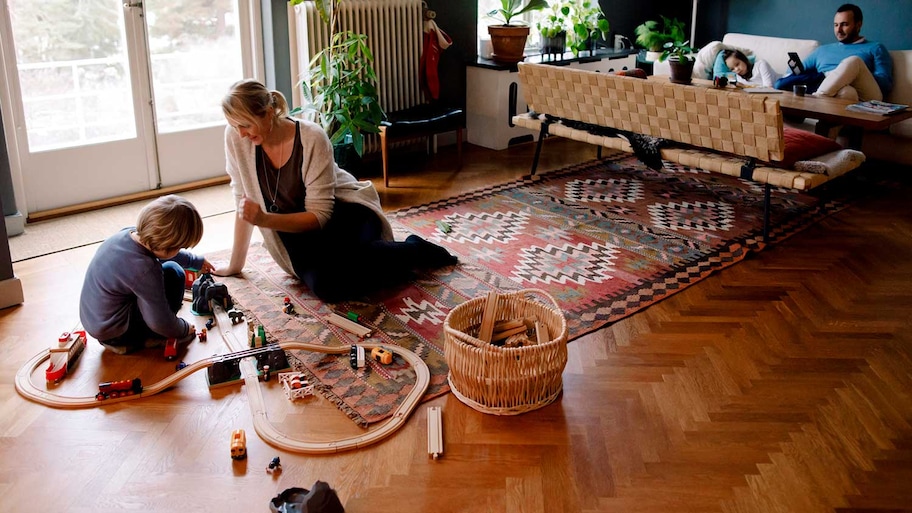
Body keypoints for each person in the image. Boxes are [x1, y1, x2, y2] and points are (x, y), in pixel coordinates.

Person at [213, 79, 457, 303]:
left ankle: (414, 250)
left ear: (267, 114)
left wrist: (265, 219)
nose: (240, 133)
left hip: (344, 214)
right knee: (328, 286)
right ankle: (397, 257)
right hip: (293, 230)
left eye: (245, 125)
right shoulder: (236, 138)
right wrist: (236, 264)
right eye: (234, 126)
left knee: (351, 261)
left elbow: (320, 215)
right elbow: (242, 203)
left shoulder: (311, 137)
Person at [79, 195, 213, 354]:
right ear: (168, 247)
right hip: (116, 333)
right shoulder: (145, 269)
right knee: (174, 274)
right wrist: (183, 328)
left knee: (169, 268)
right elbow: (160, 322)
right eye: (180, 247)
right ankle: (145, 339)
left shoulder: (127, 234)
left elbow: (165, 251)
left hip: (97, 321)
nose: (179, 250)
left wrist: (194, 261)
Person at [794, 3, 892, 101]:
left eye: (844, 24)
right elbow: (794, 72)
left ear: (858, 25)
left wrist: (847, 76)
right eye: (836, 25)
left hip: (869, 97)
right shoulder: (822, 50)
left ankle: (818, 100)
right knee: (847, 92)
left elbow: (885, 85)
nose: (839, 30)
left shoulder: (875, 48)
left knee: (854, 61)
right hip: (843, 98)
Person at [715, 49, 780, 87]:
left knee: (779, 84)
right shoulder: (738, 77)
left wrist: (745, 87)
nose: (737, 69)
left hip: (783, 84)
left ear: (743, 59)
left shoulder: (761, 65)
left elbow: (769, 88)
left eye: (737, 64)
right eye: (732, 69)